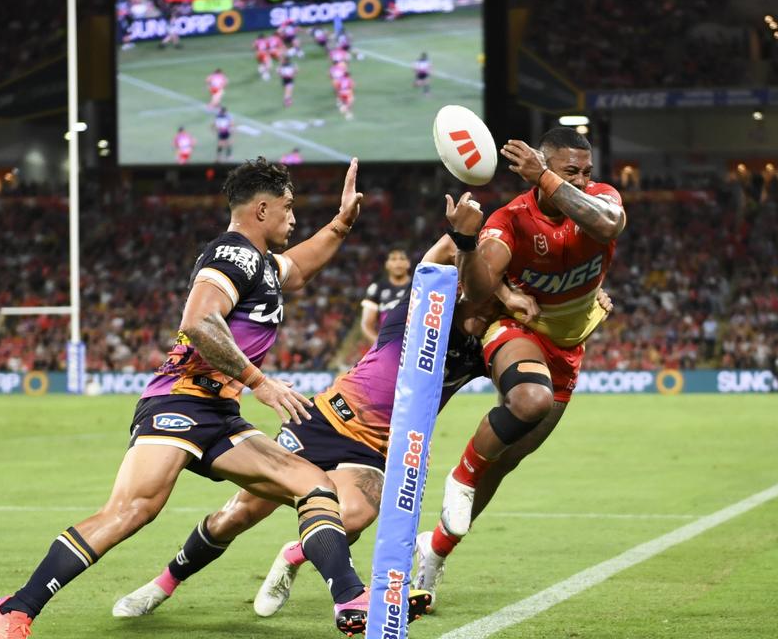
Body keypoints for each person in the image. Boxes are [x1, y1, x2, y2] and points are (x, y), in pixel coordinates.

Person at [0, 158, 375, 638]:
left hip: (218, 414)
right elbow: (198, 321)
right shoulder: (234, 255)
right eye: (289, 208)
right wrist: (260, 383)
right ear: (263, 208)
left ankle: (351, 599)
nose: (294, 219)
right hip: (180, 402)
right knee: (133, 510)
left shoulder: (263, 264)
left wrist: (342, 223)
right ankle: (13, 608)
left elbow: (300, 268)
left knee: (314, 486)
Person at [110, 232, 518, 623]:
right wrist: (466, 233)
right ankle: (164, 583)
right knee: (238, 514)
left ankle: (292, 556)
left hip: (375, 448)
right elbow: (439, 253)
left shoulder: (483, 351)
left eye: (493, 311)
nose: (485, 314)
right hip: (324, 421)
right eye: (483, 300)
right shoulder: (419, 310)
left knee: (352, 518)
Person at [414, 128, 625, 606]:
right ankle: (460, 477)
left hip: (568, 348)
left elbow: (609, 226)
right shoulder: (511, 220)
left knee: (505, 462)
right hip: (516, 331)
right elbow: (478, 288)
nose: (583, 180)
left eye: (586, 172)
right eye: (570, 171)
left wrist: (552, 180)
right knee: (530, 400)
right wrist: (471, 249)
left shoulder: (601, 200)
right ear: (543, 168)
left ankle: (436, 551)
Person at [359, 249, 410, 342]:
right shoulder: (376, 288)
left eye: (402, 258)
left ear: (408, 263)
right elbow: (367, 325)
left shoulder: (418, 285)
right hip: (388, 343)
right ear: (387, 264)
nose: (398, 262)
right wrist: (380, 345)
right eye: (393, 259)